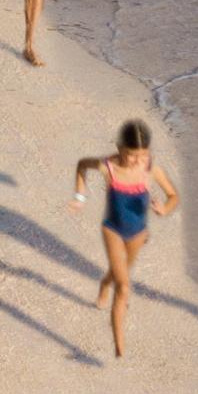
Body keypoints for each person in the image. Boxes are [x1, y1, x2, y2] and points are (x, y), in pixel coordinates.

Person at [73, 118, 167, 356]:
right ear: (119, 149)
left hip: (138, 234)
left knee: (118, 274)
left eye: (142, 155)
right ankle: (119, 347)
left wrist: (164, 208)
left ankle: (105, 282)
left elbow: (173, 195)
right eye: (131, 155)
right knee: (124, 288)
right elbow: (81, 165)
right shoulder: (108, 167)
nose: (137, 161)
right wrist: (80, 196)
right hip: (113, 230)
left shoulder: (150, 169)